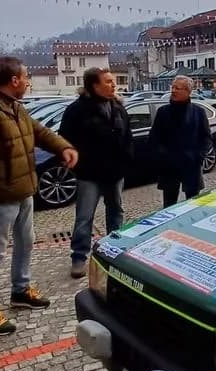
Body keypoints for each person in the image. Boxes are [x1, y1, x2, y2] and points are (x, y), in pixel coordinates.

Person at [0, 56, 78, 336]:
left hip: (24, 191)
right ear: (13, 80)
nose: (27, 82)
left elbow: (40, 132)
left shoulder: (14, 108)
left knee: (26, 242)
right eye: (25, 77)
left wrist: (63, 148)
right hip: (0, 196)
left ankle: (20, 291)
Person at [60, 67, 133, 279]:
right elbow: (64, 140)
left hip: (115, 172)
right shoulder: (77, 110)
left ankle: (113, 249)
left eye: (113, 81)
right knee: (84, 217)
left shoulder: (118, 107)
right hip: (89, 174)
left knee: (116, 211)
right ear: (94, 85)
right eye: (108, 81)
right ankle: (79, 257)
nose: (113, 85)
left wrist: (126, 160)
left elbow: (127, 137)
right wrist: (76, 163)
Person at [149, 75, 212, 208]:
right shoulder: (163, 112)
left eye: (177, 88)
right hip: (169, 167)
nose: (173, 91)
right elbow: (154, 138)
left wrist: (198, 156)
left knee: (194, 204)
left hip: (192, 165)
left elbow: (206, 137)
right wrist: (163, 156)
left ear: (188, 91)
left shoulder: (198, 112)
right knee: (169, 206)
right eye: (172, 87)